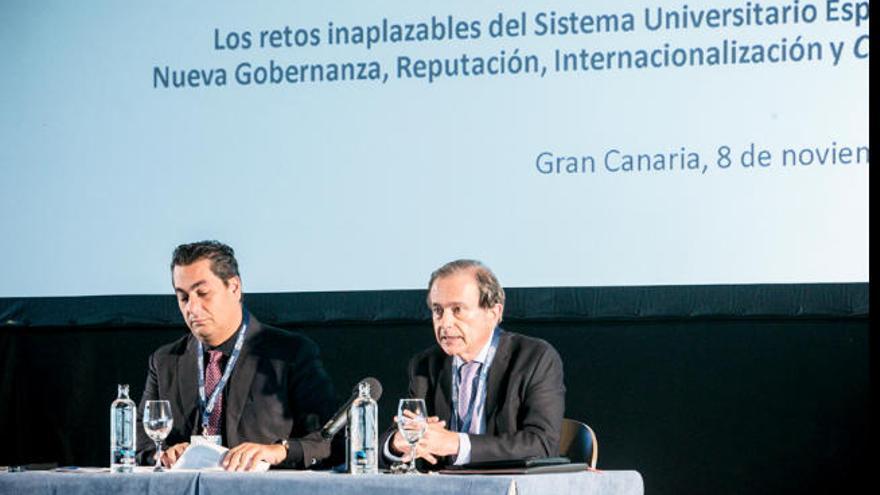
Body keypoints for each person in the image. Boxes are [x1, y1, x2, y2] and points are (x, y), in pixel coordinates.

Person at [136, 240, 339, 471]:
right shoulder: (165, 360)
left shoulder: (290, 354)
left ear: (234, 287)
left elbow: (329, 440)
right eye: (183, 297)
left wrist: (280, 451)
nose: (191, 308)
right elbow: (141, 434)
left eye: (202, 293)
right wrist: (162, 453)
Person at [384, 260, 565, 468]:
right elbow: (394, 437)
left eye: (457, 310)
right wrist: (397, 443)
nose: (445, 322)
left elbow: (541, 444)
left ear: (494, 313)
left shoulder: (534, 358)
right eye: (438, 310)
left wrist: (456, 444)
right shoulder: (426, 365)